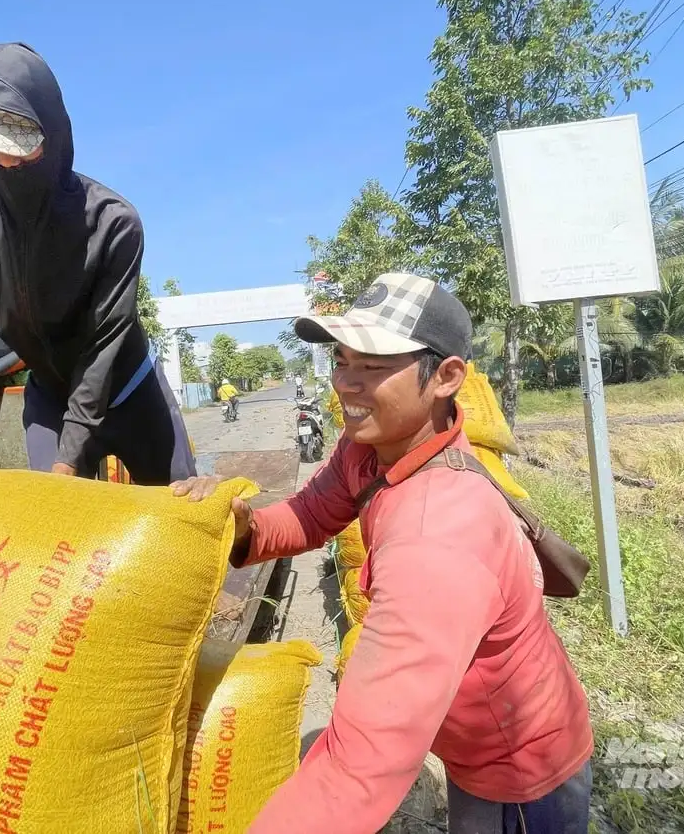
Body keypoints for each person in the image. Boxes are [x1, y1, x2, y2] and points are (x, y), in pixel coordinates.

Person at [173, 273, 594, 833]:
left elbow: (363, 759)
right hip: (474, 748)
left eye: (371, 367)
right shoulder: (370, 450)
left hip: (519, 771)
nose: (347, 384)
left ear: (446, 377)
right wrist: (238, 526)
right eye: (341, 362)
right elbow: (310, 514)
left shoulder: (439, 532)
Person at [0, 42, 195, 485]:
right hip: (50, 398)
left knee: (180, 521)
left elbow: (105, 346)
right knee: (58, 530)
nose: (6, 161)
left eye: (22, 150)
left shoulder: (112, 222)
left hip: (130, 391)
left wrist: (73, 452)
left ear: (54, 134)